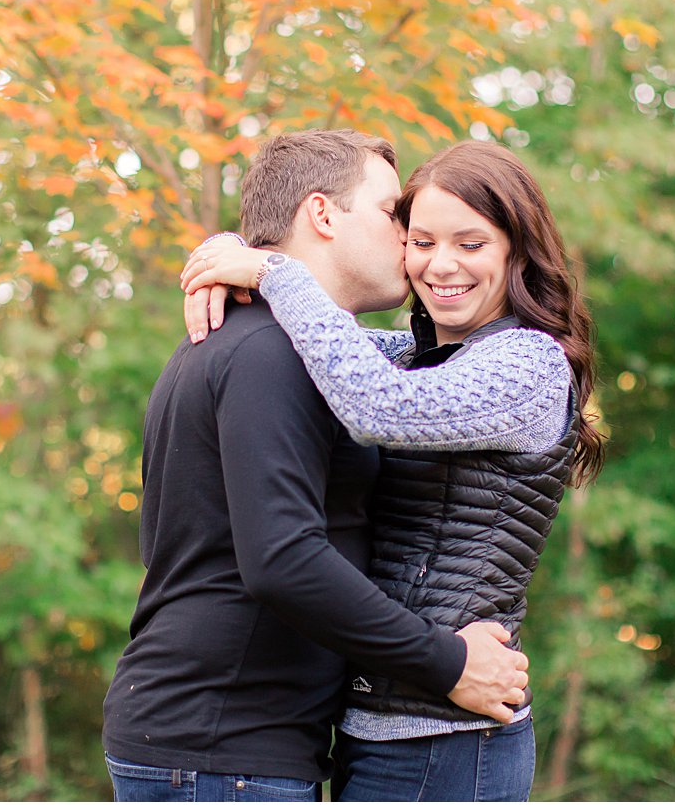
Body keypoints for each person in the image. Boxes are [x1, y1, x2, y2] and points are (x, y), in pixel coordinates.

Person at [101, 131, 531, 803]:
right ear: (323, 214)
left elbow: (384, 376)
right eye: (395, 214)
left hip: (229, 736)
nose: (410, 240)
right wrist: (448, 661)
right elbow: (282, 558)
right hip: (224, 742)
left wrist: (249, 260)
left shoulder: (291, 345)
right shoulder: (273, 352)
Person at [180, 139, 604, 802]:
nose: (440, 264)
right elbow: (325, 341)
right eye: (421, 239)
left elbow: (375, 402)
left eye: (471, 244)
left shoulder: (529, 365)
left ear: (517, 250)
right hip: (380, 724)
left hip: (449, 734)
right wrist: (234, 255)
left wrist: (271, 270)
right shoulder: (426, 354)